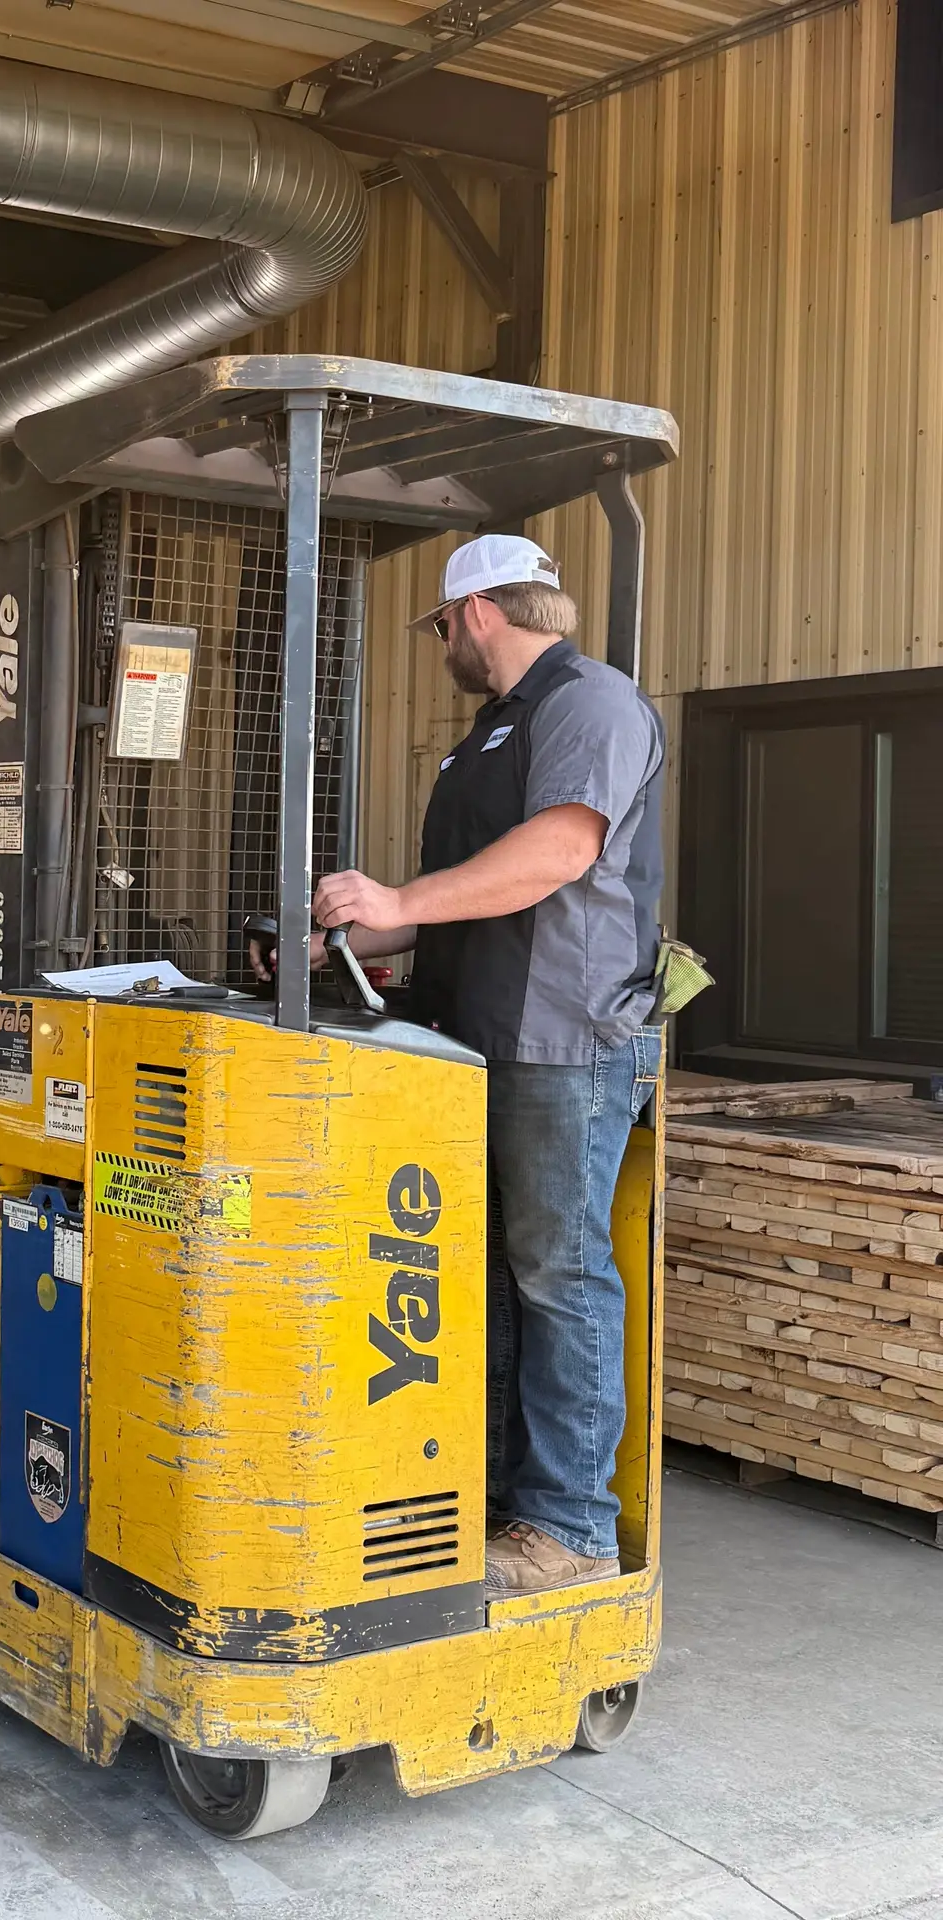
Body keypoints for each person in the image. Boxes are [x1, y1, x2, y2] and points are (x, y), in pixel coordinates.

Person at [293, 533, 665, 1596]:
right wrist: (353, 940)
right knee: (487, 1280)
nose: (442, 644)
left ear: (477, 613)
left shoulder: (587, 703)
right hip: (470, 1041)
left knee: (558, 1275)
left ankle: (571, 1530)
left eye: (441, 625)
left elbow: (558, 854)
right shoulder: (490, 732)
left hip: (560, 1038)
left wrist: (400, 900)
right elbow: (471, 897)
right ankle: (493, 1499)